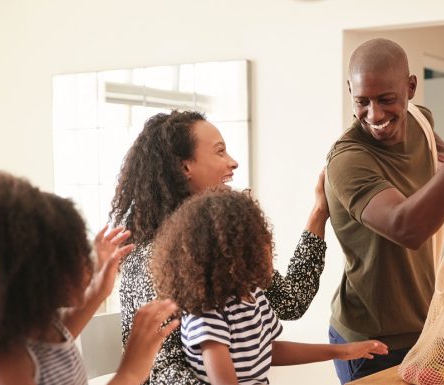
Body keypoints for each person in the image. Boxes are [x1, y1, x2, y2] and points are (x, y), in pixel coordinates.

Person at [324, 38, 444, 383]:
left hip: (425, 325)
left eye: (386, 100)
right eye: (361, 101)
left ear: (410, 87)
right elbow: (407, 228)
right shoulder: (348, 159)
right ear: (349, 90)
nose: (374, 114)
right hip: (370, 340)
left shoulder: (420, 122)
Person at [110, 110, 330, 385]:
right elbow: (163, 370)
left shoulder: (219, 245)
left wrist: (319, 214)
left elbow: (290, 302)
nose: (233, 162)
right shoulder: (150, 257)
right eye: (220, 152)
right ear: (184, 167)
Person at [0, 171, 179, 385]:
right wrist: (131, 371)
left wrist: (100, 287)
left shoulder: (45, 327)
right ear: (27, 277)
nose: (86, 265)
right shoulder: (4, 361)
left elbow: (68, 327)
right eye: (71, 259)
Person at [151, 189, 388, 385]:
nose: (268, 247)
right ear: (230, 256)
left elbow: (267, 350)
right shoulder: (208, 315)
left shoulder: (253, 295)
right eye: (258, 242)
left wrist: (342, 351)